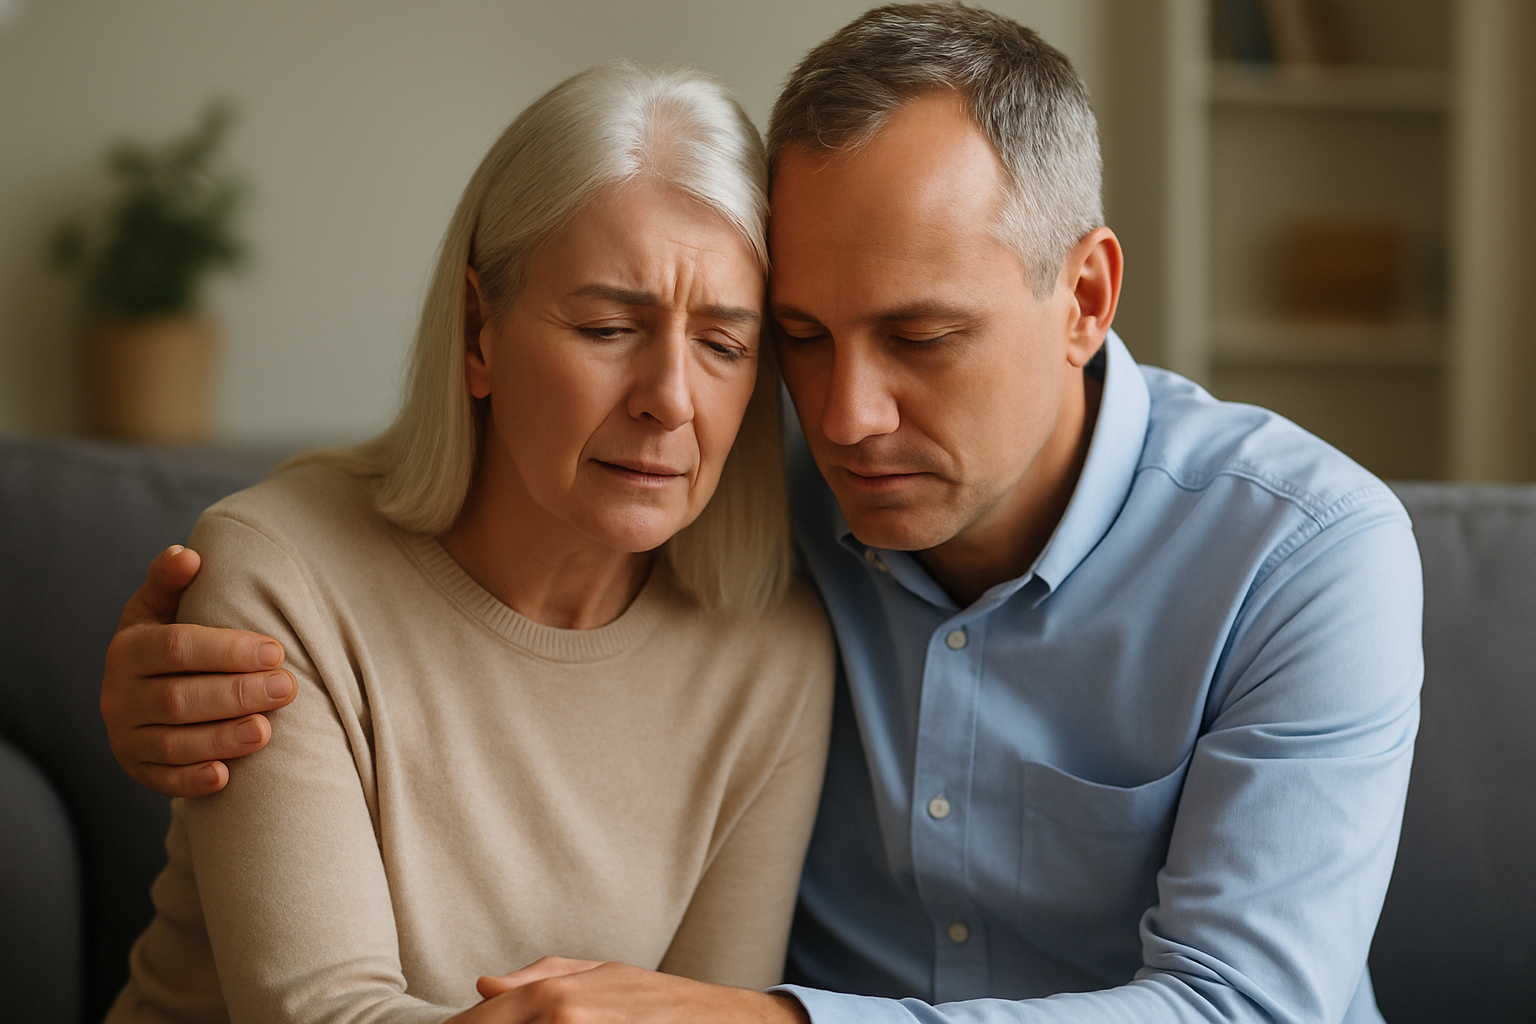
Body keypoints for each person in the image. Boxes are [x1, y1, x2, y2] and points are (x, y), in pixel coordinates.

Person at [100, 5, 1423, 1023]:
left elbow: (1244, 1008)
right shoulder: (733, 506)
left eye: (921, 336)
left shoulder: (1305, 555)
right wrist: (164, 672)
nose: (845, 416)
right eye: (798, 337)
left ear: (1084, 297)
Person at [100, 60, 837, 1024]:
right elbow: (315, 1012)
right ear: (479, 330)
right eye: (611, 326)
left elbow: (700, 1012)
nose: (670, 399)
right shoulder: (279, 573)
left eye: (723, 346)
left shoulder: (773, 650)